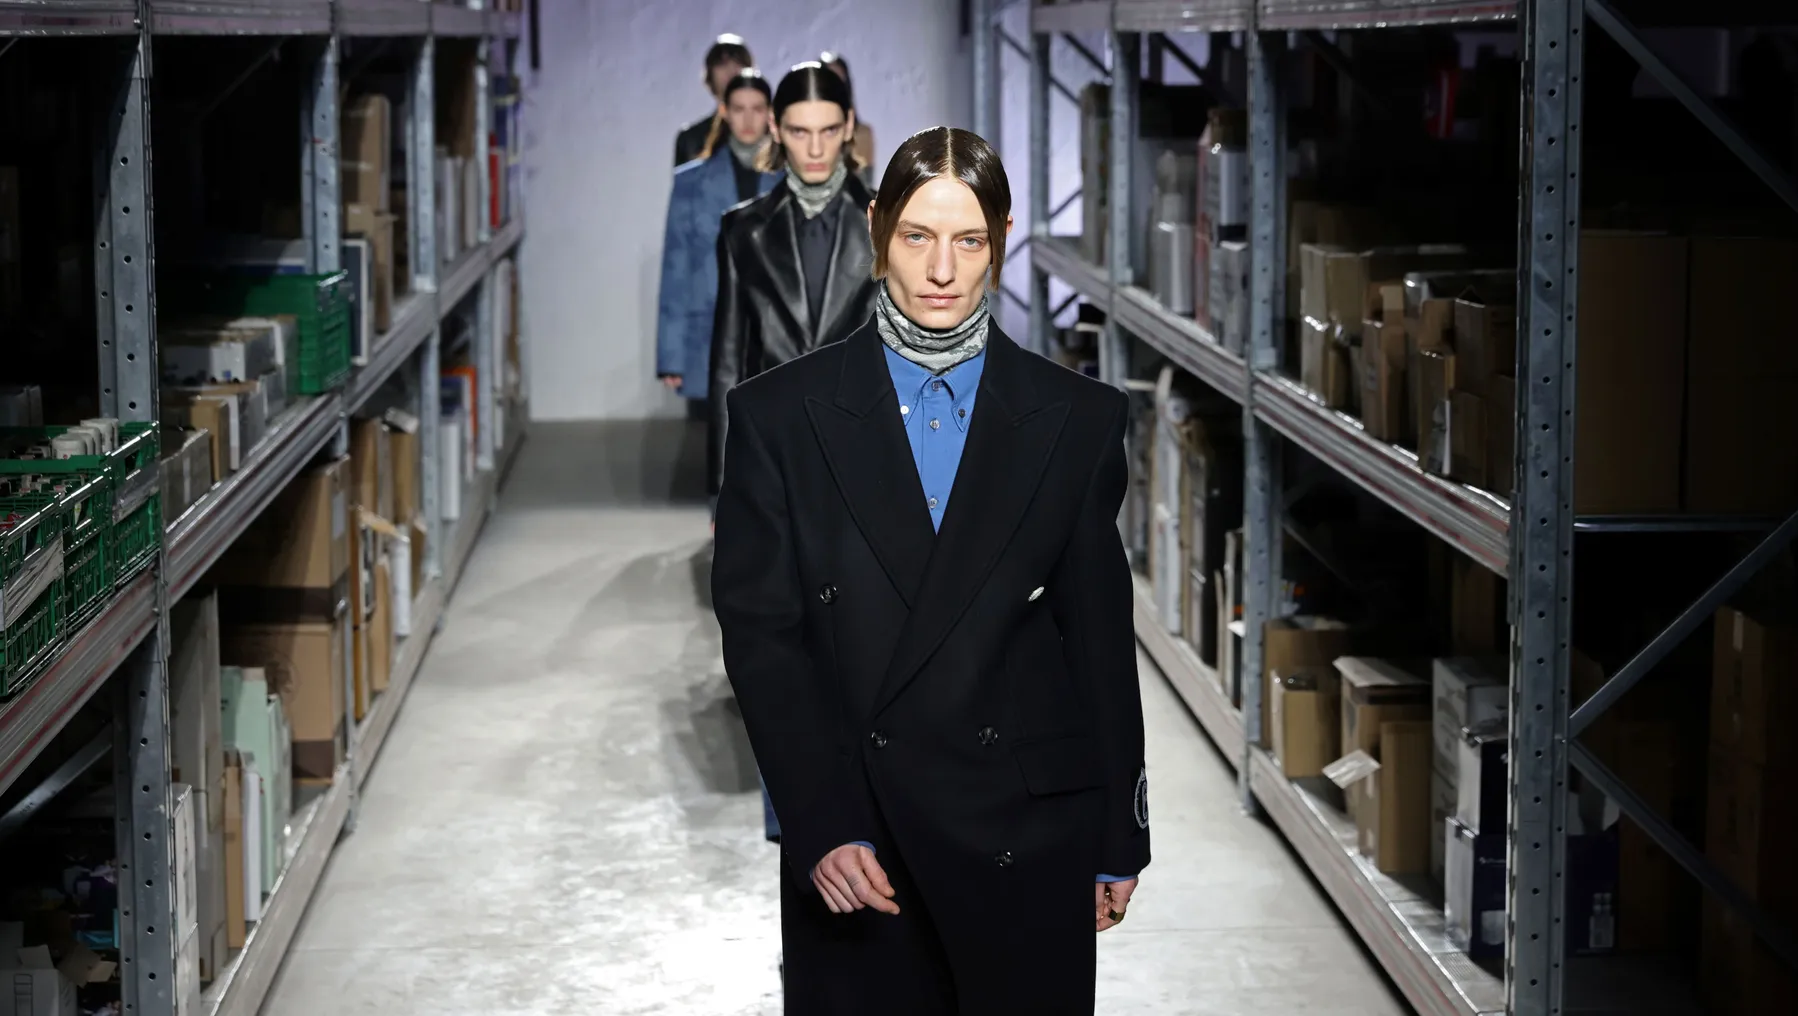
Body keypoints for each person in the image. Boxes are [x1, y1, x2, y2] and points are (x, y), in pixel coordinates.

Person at [711, 126, 1149, 1015]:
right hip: (862, 834)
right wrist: (820, 823)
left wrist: (1119, 835)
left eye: (968, 240)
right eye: (917, 236)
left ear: (1002, 238)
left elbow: (1098, 639)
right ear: (878, 232)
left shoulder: (1078, 420)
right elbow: (765, 641)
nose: (942, 269)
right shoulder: (778, 419)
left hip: (1027, 825)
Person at [708, 61, 875, 497]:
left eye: (829, 130)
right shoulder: (742, 230)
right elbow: (729, 360)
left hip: (869, 450)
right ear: (776, 129)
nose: (816, 149)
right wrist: (724, 486)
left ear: (849, 126)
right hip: (773, 451)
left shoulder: (891, 224)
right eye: (800, 132)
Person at [656, 70, 778, 422]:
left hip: (772, 332)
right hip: (709, 328)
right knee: (717, 450)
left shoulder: (791, 180)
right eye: (739, 108)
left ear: (770, 113)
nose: (748, 119)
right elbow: (676, 267)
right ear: (723, 111)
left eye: (757, 108)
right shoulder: (691, 182)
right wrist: (671, 355)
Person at [674, 34, 754, 167]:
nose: (731, 71)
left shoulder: (772, 133)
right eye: (722, 64)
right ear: (710, 74)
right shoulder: (690, 139)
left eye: (738, 63)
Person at [821, 52, 877, 186]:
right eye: (828, 79)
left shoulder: (862, 135)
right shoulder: (799, 135)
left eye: (839, 80)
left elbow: (865, 186)